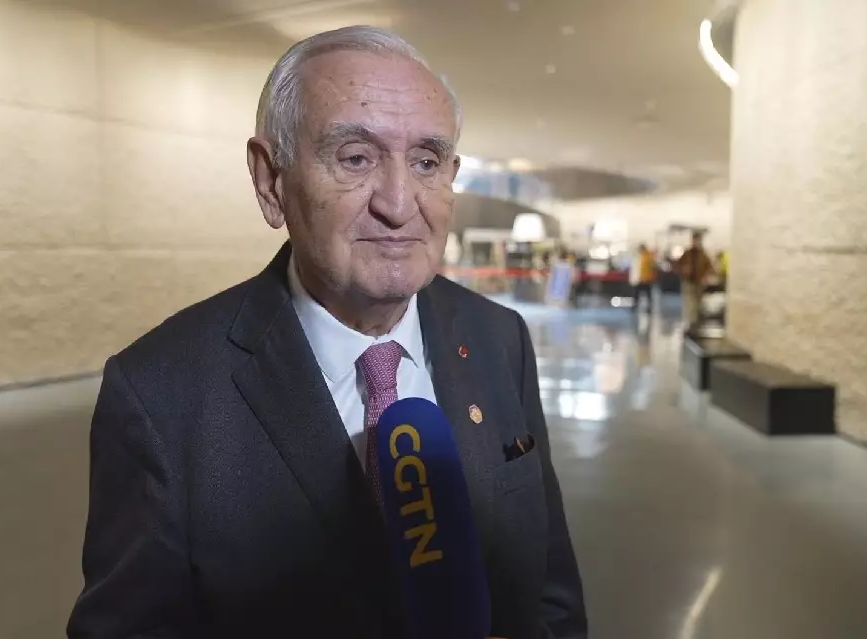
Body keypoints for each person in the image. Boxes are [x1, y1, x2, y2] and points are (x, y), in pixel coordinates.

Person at [67, 26, 587, 639]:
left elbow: (550, 595)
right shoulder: (160, 392)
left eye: (425, 162)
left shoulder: (500, 337)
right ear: (271, 182)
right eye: (356, 158)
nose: (399, 203)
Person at [674, 232, 714, 330]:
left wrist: (705, 276)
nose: (696, 242)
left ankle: (695, 322)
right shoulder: (687, 253)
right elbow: (677, 265)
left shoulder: (703, 254)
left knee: (697, 304)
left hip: (699, 283)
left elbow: (709, 267)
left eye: (698, 240)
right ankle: (691, 323)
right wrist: (683, 270)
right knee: (690, 303)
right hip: (688, 282)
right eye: (695, 240)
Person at [629, 244, 657, 313]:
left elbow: (651, 268)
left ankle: (648, 308)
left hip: (646, 279)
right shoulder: (639, 258)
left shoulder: (647, 257)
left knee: (647, 295)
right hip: (640, 279)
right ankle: (636, 306)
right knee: (637, 294)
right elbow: (636, 269)